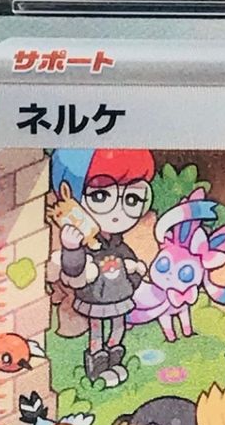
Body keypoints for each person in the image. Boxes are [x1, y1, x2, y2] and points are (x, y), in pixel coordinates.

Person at [50, 147, 154, 387]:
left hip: (119, 296)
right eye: (100, 197)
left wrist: (134, 275)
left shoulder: (117, 243)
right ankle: (96, 370)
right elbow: (73, 272)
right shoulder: (85, 243)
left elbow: (129, 262)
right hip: (95, 298)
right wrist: (71, 248)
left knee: (118, 328)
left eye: (132, 199)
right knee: (96, 331)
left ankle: (115, 361)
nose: (118, 213)